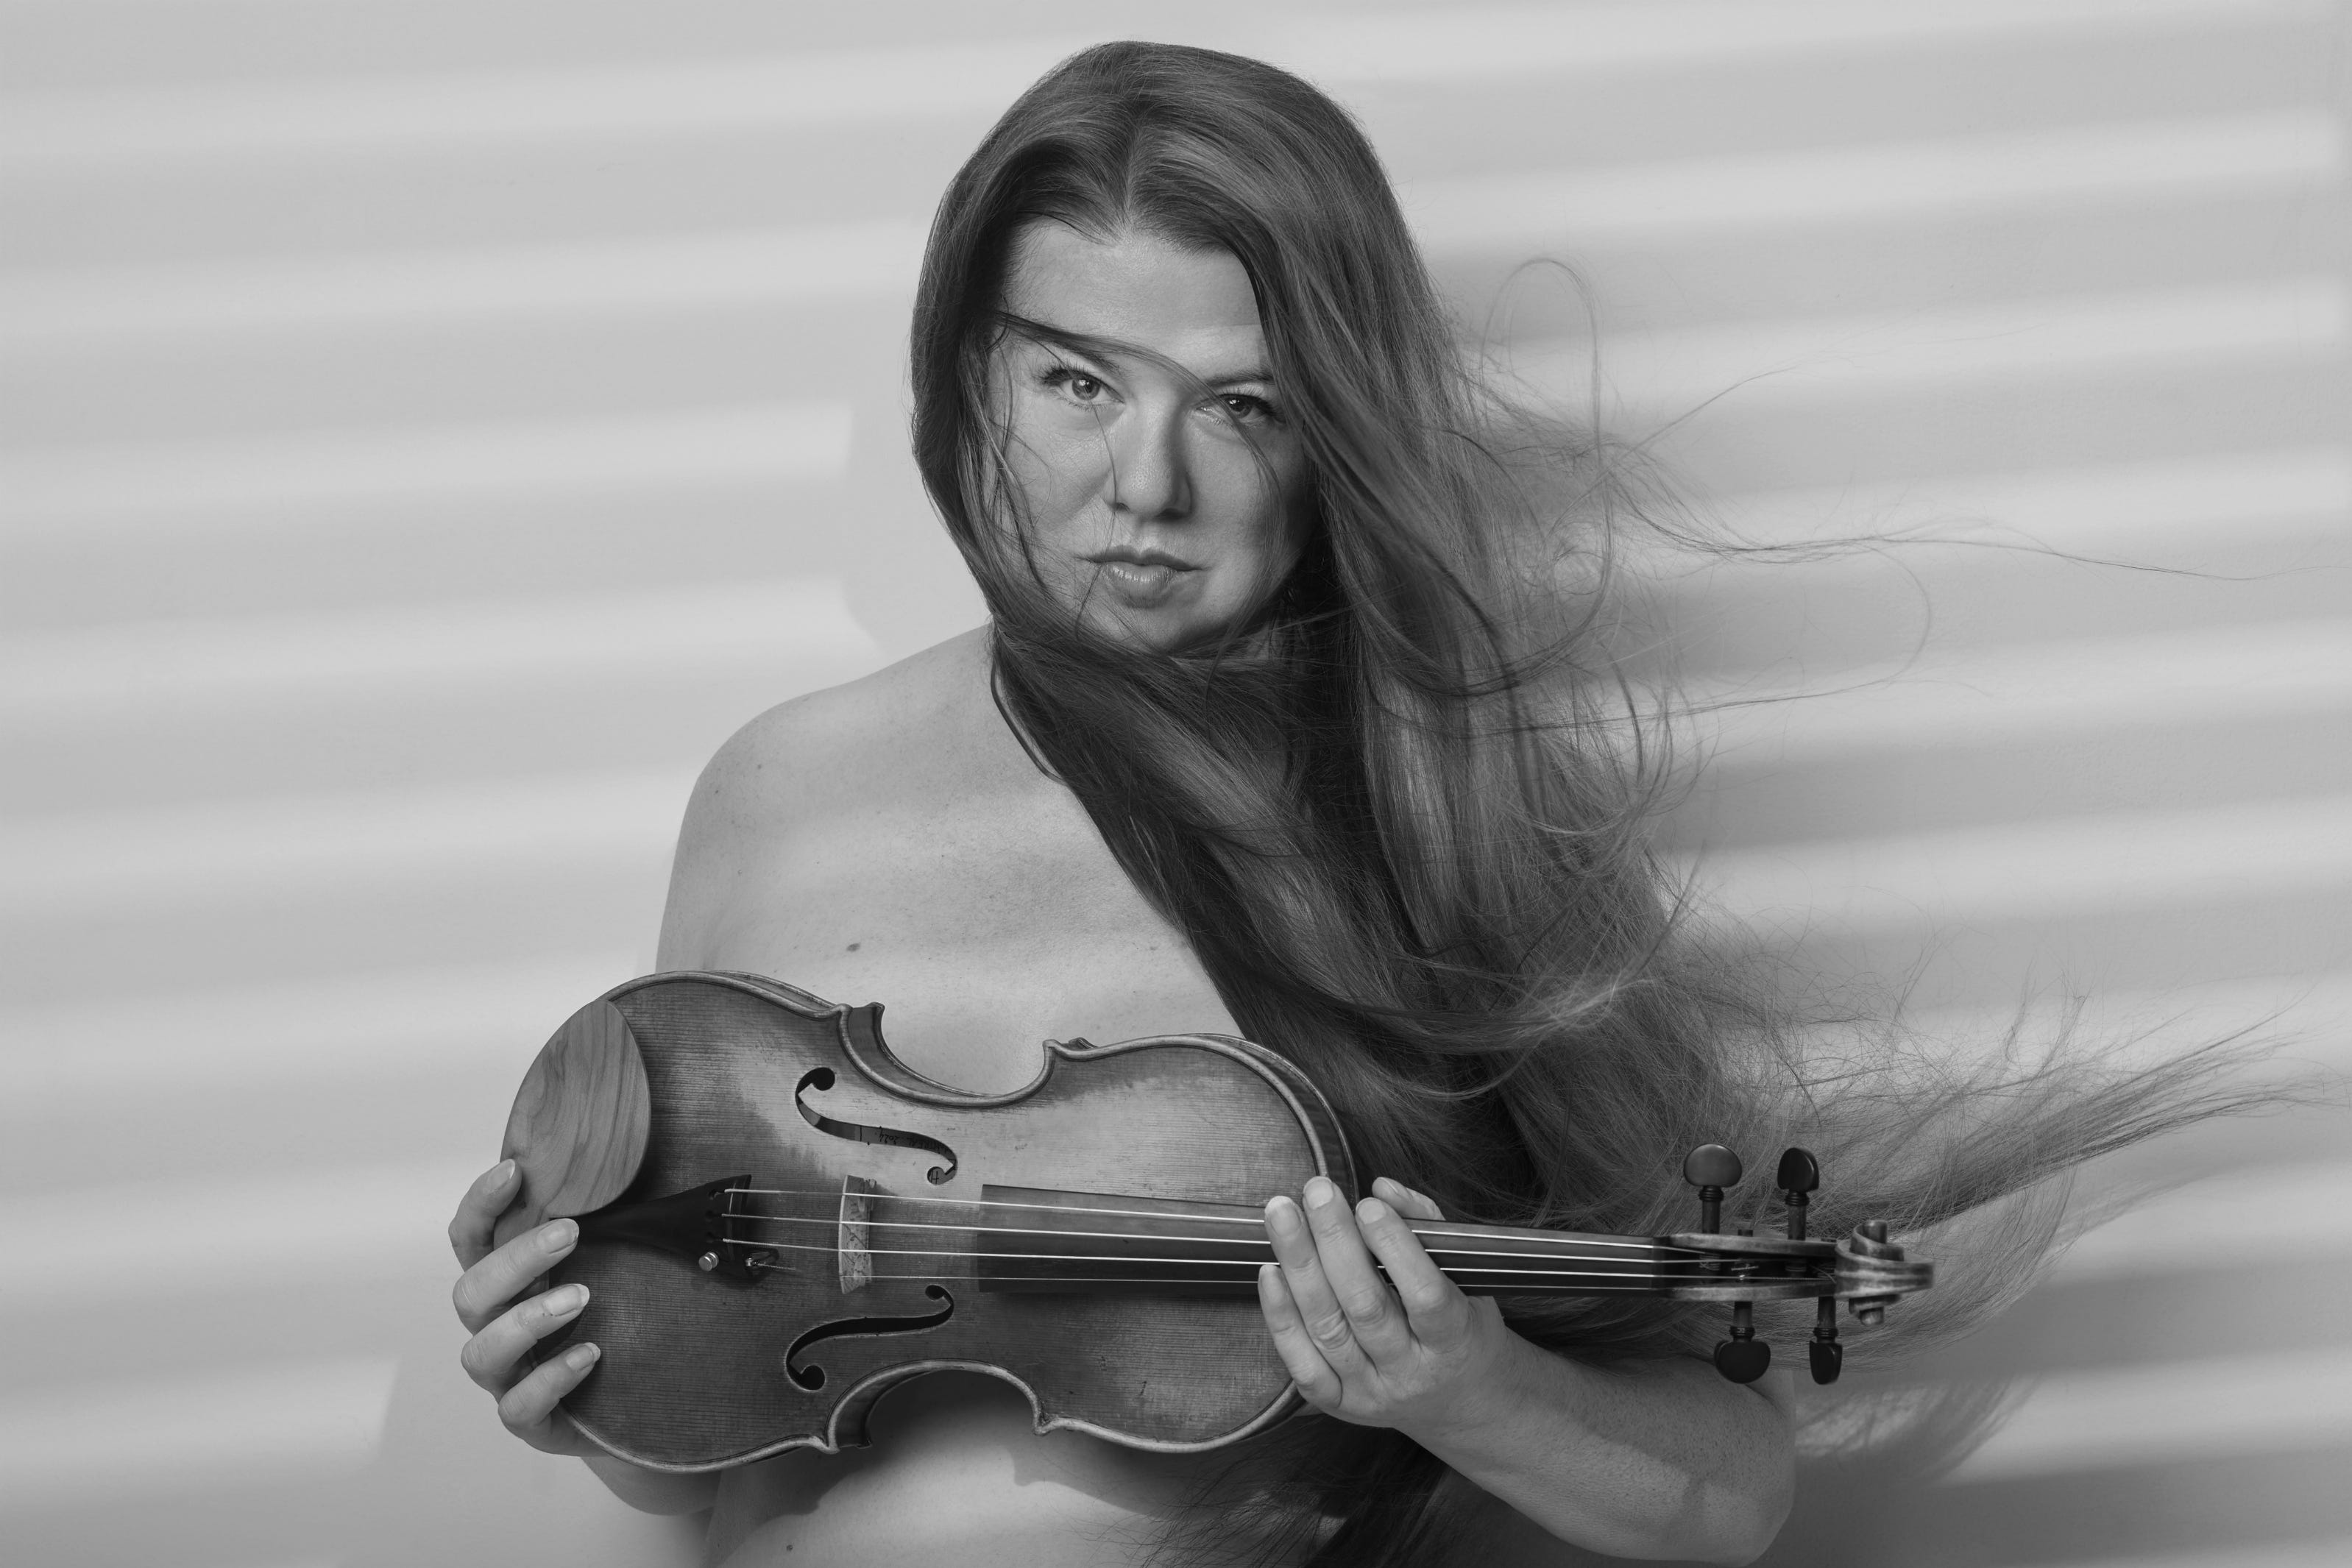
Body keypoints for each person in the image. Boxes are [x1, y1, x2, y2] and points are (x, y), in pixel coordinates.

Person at [448, 41, 2255, 1567]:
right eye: (1075, 380)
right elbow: (722, 1422)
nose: (1142, 484)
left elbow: (1720, 1495)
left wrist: (1464, 1386)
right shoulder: (778, 786)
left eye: (1240, 407)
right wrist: (581, 1372)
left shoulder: (1434, 822)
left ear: (1331, 440)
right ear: (966, 370)